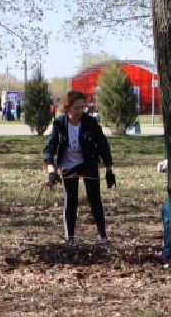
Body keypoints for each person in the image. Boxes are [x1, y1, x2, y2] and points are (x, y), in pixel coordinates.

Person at [42, 89, 116, 244]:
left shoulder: (90, 122)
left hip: (88, 163)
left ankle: (102, 236)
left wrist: (109, 169)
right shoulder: (60, 124)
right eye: (76, 108)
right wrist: (51, 171)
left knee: (95, 199)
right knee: (71, 201)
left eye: (82, 107)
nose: (79, 111)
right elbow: (50, 148)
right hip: (69, 165)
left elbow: (103, 144)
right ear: (68, 107)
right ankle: (70, 238)